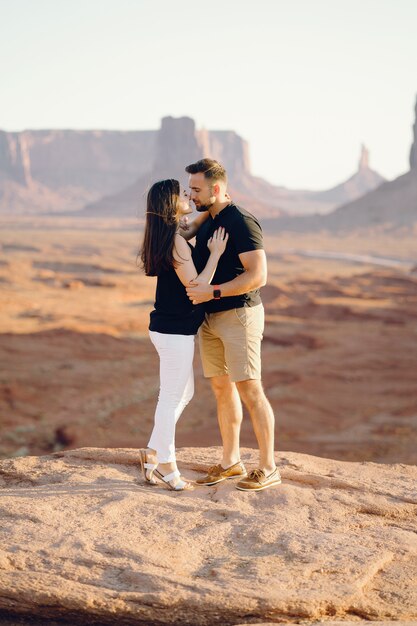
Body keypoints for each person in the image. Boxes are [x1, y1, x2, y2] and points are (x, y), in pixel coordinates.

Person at [184, 159, 281, 492]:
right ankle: (231, 462)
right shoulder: (209, 218)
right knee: (221, 389)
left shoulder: (241, 221)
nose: (190, 194)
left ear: (216, 189)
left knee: (251, 390)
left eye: (195, 189)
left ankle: (268, 468)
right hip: (210, 318)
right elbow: (183, 230)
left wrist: (214, 290)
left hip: (239, 315)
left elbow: (258, 275)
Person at [138, 178, 228, 492]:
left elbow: (189, 226)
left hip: (169, 330)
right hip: (175, 332)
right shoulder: (175, 241)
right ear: (169, 204)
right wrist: (215, 254)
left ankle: (152, 451)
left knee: (183, 394)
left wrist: (213, 207)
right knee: (170, 398)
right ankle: (167, 466)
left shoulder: (169, 236)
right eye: (181, 194)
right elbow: (195, 289)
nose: (188, 196)